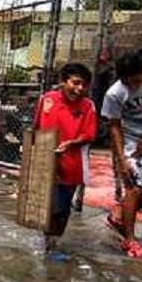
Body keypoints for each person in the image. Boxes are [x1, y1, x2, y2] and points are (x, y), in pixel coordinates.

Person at [32, 63, 97, 253]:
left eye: (84, 85)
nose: (80, 88)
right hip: (45, 161)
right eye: (75, 83)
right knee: (45, 204)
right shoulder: (47, 99)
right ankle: (48, 243)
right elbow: (36, 127)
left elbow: (89, 135)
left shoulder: (88, 106)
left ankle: (53, 243)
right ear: (63, 82)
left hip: (71, 163)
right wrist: (30, 151)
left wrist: (70, 143)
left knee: (62, 207)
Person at [101, 52, 142, 258]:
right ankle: (129, 239)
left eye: (138, 81)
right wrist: (122, 159)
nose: (134, 86)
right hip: (131, 139)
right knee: (133, 185)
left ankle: (120, 213)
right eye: (129, 83)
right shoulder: (114, 93)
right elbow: (114, 126)